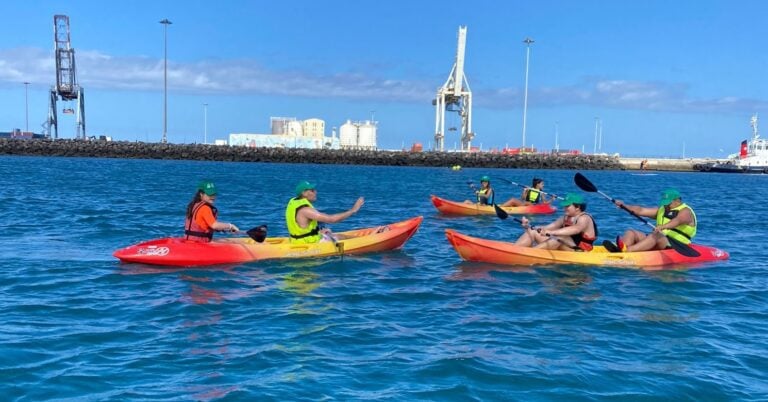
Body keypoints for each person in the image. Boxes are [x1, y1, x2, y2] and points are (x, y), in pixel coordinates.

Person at [603, 188, 696, 253]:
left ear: (677, 200)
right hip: (659, 240)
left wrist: (662, 227)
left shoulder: (686, 211)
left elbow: (677, 221)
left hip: (676, 244)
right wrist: (624, 206)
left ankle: (628, 250)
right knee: (631, 232)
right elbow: (641, 210)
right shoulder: (662, 209)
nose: (666, 205)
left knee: (656, 235)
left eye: (668, 203)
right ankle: (622, 248)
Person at [285, 180, 365, 243]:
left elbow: (303, 226)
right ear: (304, 193)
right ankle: (363, 243)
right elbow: (332, 219)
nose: (316, 192)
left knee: (339, 236)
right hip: (310, 243)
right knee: (341, 238)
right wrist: (353, 210)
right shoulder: (305, 210)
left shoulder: (294, 202)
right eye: (312, 190)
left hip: (298, 241)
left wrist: (320, 231)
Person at [514, 193, 598, 251]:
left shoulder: (584, 218)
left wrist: (551, 232)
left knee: (561, 236)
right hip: (566, 246)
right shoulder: (565, 217)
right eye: (564, 206)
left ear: (577, 207)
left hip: (580, 250)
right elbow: (547, 227)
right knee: (532, 232)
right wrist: (528, 226)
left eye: (567, 206)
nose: (564, 208)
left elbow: (575, 229)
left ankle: (530, 253)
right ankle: (515, 249)